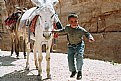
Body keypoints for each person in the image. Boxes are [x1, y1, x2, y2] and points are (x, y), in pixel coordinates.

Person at [54, 13, 95, 80]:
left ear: (78, 21)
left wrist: (90, 37)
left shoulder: (80, 29)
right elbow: (62, 30)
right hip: (71, 46)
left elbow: (87, 33)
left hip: (79, 45)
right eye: (72, 21)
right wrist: (55, 31)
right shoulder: (67, 28)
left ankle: (79, 72)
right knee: (70, 60)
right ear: (69, 22)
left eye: (75, 21)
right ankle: (73, 71)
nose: (74, 23)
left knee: (79, 57)